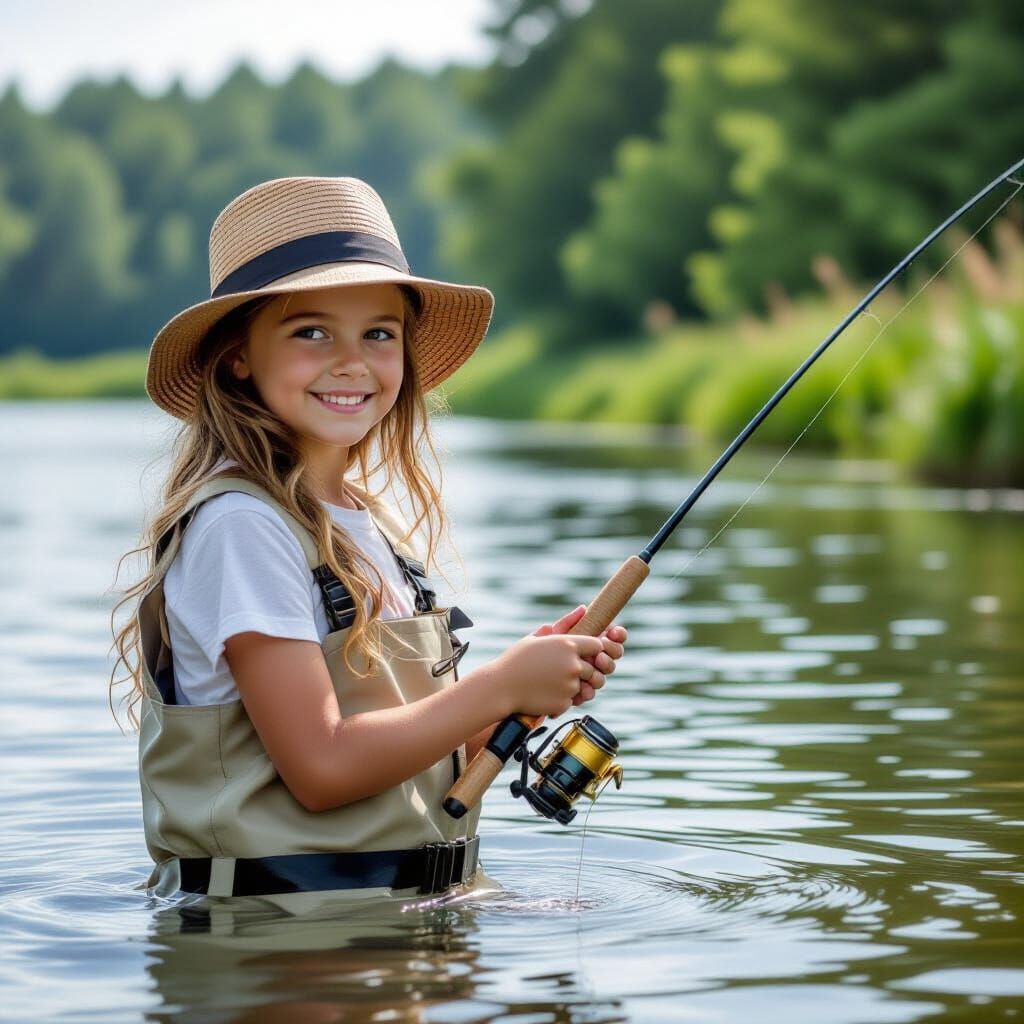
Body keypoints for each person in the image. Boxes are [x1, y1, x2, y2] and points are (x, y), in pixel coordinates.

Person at [108, 176, 628, 903]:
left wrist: (519, 699)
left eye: (378, 333)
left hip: (397, 929)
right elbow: (322, 769)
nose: (351, 361)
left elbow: (418, 768)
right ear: (237, 356)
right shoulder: (242, 528)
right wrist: (496, 683)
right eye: (311, 331)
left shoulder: (367, 525)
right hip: (284, 952)